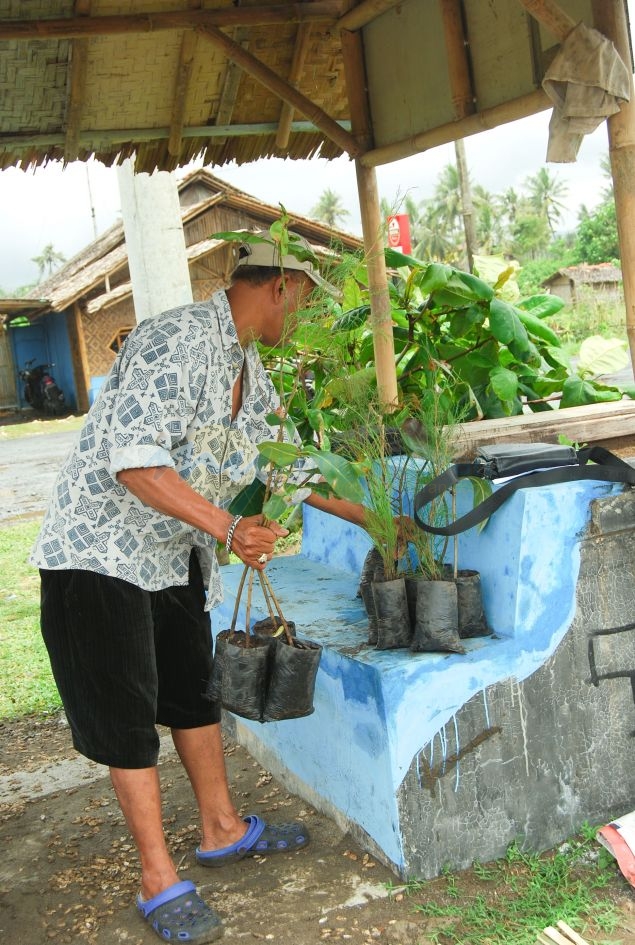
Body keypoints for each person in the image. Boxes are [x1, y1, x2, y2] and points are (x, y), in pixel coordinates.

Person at [32, 231, 370, 944]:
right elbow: (134, 461)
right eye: (305, 302)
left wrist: (376, 512)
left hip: (173, 554)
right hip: (99, 555)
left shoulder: (251, 366)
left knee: (191, 692)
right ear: (279, 287)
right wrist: (227, 527)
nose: (303, 319)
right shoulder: (175, 340)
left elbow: (291, 468)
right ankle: (158, 877)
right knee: (127, 716)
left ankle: (220, 827)